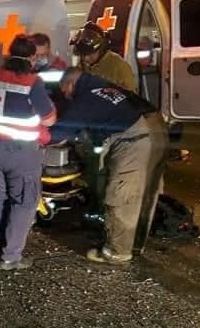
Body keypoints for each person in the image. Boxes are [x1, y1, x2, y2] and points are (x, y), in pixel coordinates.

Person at [55, 66, 168, 264]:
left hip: (135, 140)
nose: (65, 96)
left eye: (64, 91)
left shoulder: (85, 99)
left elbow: (57, 136)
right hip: (156, 128)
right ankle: (134, 244)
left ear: (70, 84)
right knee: (145, 194)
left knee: (121, 196)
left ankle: (117, 252)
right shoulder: (102, 85)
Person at [0, 34, 57, 270]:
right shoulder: (32, 82)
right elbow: (49, 119)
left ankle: (5, 246)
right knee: (24, 203)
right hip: (18, 151)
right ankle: (11, 257)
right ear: (32, 58)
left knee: (1, 201)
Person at [70, 23, 136, 92]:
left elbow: (132, 96)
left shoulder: (118, 65)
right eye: (83, 54)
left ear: (101, 49)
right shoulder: (81, 66)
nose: (86, 58)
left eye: (91, 54)